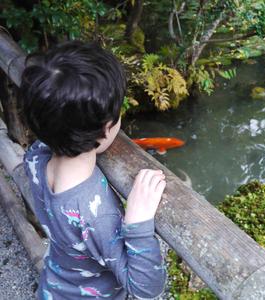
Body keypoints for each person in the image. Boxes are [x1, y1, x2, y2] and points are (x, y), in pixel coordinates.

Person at [20, 41, 167, 299]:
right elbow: (146, 289)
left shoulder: (35, 157)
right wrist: (137, 223)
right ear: (106, 129)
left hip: (54, 288)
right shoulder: (96, 215)